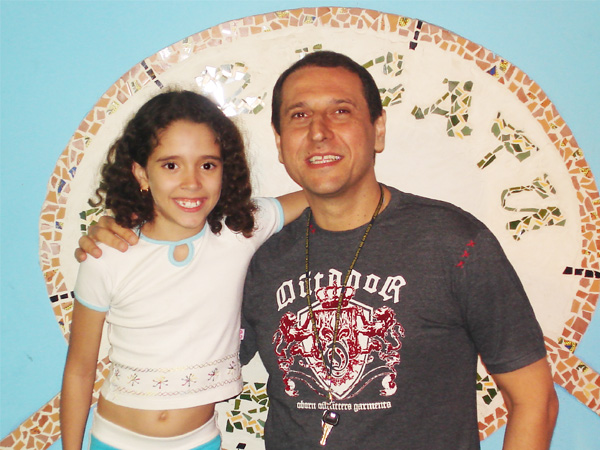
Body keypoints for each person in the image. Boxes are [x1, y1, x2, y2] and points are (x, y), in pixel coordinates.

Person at [78, 52, 558, 449]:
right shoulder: (258, 256)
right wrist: (130, 239)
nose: (319, 131)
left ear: (379, 129)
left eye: (341, 111)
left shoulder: (452, 241)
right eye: (299, 115)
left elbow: (535, 400)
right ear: (279, 143)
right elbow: (183, 343)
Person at [61, 90, 306, 450]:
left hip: (199, 441)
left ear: (225, 171)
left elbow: (319, 193)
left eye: (207, 165)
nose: (192, 182)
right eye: (171, 165)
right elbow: (80, 370)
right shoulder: (107, 254)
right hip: (115, 440)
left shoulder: (238, 233)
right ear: (141, 173)